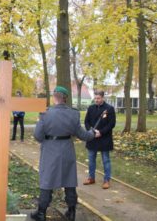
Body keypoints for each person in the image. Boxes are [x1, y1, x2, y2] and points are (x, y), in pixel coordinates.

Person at [31, 86, 96, 221]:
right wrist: (93, 133)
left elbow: (37, 136)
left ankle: (41, 213)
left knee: (47, 181)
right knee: (69, 181)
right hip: (67, 150)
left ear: (54, 97)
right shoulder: (73, 114)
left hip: (50, 150)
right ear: (65, 98)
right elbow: (83, 135)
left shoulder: (45, 113)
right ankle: (71, 212)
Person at [83, 90, 116, 189]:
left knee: (106, 160)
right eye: (95, 98)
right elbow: (86, 122)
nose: (96, 100)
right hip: (92, 138)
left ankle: (106, 180)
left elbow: (111, 124)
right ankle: (91, 178)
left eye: (98, 98)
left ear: (103, 98)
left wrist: (100, 132)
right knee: (91, 159)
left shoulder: (109, 109)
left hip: (104, 138)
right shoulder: (91, 108)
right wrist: (92, 131)